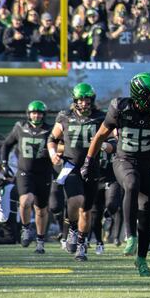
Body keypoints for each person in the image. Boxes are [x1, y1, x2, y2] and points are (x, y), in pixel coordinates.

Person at [84, 73, 150, 277]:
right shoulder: (120, 107)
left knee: (148, 210)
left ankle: (142, 259)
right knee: (132, 183)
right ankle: (129, 235)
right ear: (142, 95)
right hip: (123, 159)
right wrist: (88, 161)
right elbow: (100, 136)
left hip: (148, 162)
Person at [46, 84, 105, 262]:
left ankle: (81, 245)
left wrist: (108, 146)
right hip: (70, 166)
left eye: (87, 100)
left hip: (91, 167)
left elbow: (113, 139)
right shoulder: (65, 116)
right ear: (75, 100)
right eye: (81, 99)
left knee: (86, 210)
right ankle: (72, 228)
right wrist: (52, 154)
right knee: (75, 200)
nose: (84, 103)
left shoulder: (100, 117)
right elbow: (52, 139)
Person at [0, 101, 54, 254]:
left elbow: (62, 146)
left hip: (44, 173)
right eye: (34, 113)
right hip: (25, 172)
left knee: (41, 209)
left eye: (39, 113)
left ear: (44, 115)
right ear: (28, 114)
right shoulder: (20, 127)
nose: (36, 116)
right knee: (25, 201)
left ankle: (40, 240)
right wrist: (4, 163)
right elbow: (6, 144)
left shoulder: (50, 130)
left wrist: (52, 151)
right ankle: (25, 228)